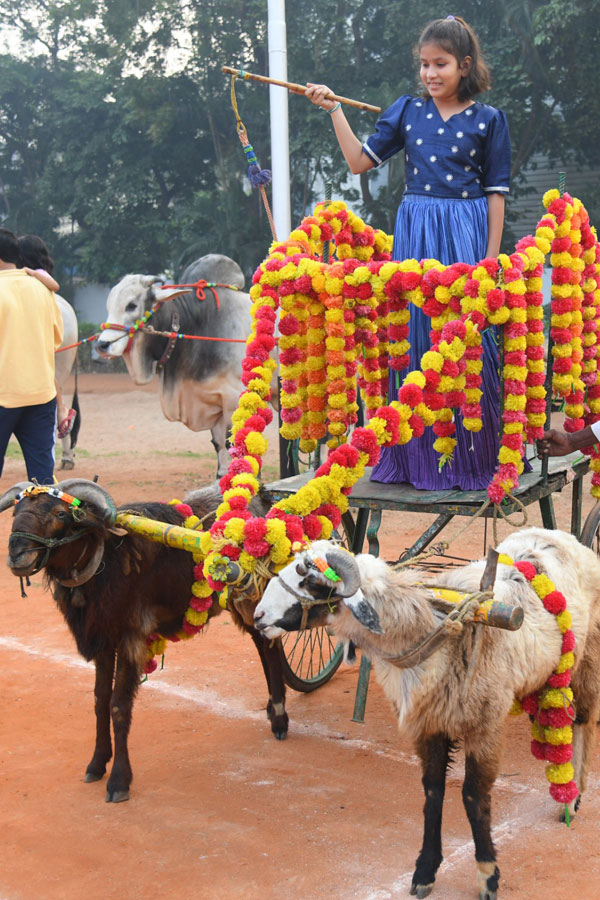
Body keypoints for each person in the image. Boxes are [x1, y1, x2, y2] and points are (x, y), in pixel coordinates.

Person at [305, 15, 510, 490]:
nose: (430, 74)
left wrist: (490, 262)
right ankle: (412, 460)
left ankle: (469, 459)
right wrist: (333, 108)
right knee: (416, 338)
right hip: (416, 231)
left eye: (440, 64)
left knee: (466, 341)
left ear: (464, 65)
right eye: (423, 65)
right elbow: (359, 162)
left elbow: (496, 193)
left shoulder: (489, 120)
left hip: (465, 228)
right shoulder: (406, 112)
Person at [0, 227, 64, 484]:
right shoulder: (42, 289)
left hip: (3, 395)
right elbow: (56, 339)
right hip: (41, 395)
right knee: (42, 479)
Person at [18, 233, 76, 438]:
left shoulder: (35, 274)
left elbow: (55, 285)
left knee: (48, 372)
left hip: (37, 327)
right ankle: (61, 410)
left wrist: (31, 273)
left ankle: (61, 409)